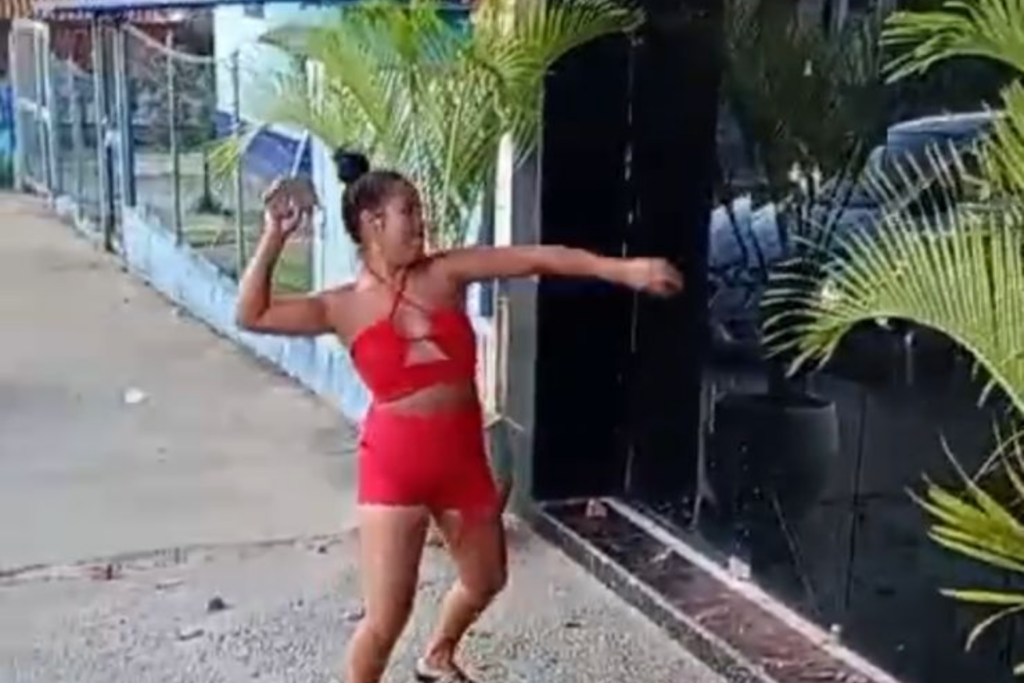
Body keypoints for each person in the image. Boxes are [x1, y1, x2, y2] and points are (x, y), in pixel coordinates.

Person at [235, 150, 684, 683]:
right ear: (373, 222)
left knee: (486, 578)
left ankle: (437, 655)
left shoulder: (445, 272)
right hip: (395, 468)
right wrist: (275, 235)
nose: (420, 224)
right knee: (386, 619)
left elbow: (535, 258)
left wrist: (623, 270)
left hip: (461, 460)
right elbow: (252, 314)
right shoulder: (341, 306)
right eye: (409, 212)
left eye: (419, 211)